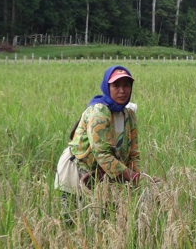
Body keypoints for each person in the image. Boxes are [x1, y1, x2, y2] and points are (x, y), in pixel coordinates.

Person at [55, 65, 144, 203]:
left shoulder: (129, 114)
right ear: (107, 88)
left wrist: (137, 178)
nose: (122, 90)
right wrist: (132, 176)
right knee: (73, 217)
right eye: (116, 85)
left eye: (126, 85)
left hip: (105, 172)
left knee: (106, 216)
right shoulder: (99, 112)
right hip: (77, 169)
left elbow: (133, 153)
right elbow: (102, 154)